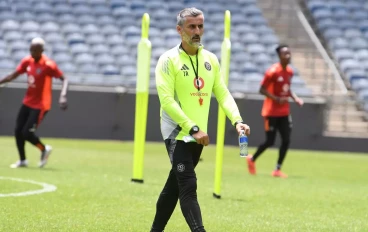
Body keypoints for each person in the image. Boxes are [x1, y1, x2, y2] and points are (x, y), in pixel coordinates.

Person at [150, 8, 250, 232]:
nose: (197, 31)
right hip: (177, 131)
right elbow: (166, 101)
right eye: (191, 26)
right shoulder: (168, 60)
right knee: (188, 184)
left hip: (198, 135)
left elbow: (222, 93)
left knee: (174, 186)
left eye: (200, 26)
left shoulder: (211, 60)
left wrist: (237, 120)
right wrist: (192, 127)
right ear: (179, 30)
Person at [0, 37, 68, 168]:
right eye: (31, 49)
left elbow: (65, 78)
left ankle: (43, 149)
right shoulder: (27, 61)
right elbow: (13, 75)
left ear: (41, 50)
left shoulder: (48, 65)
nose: (32, 52)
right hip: (27, 102)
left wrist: (63, 95)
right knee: (18, 130)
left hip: (41, 105)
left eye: (35, 49)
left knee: (26, 132)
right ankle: (22, 160)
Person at [246, 44, 303, 178]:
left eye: (289, 53)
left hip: (284, 112)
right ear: (279, 56)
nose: (288, 56)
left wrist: (296, 98)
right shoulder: (272, 72)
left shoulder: (289, 72)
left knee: (286, 140)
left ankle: (277, 169)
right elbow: (262, 89)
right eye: (285, 54)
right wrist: (276, 98)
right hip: (271, 112)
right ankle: (251, 159)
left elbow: (287, 88)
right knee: (270, 141)